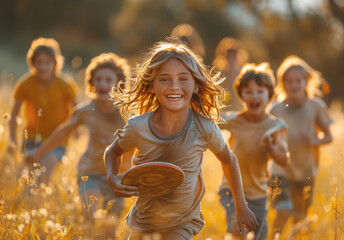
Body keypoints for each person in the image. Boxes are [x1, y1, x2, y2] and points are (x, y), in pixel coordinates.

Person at [104, 38, 258, 240]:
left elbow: (228, 159)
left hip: (182, 223)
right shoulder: (138, 126)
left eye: (183, 78)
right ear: (151, 86)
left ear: (196, 86)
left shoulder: (204, 127)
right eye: (164, 79)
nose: (174, 86)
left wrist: (241, 206)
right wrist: (112, 176)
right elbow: (113, 151)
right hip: (144, 221)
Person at [24, 53, 132, 238]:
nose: (103, 84)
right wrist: (38, 152)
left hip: (119, 176)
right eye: (98, 79)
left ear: (119, 84)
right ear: (91, 83)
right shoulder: (85, 111)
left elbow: (142, 140)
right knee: (89, 214)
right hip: (89, 172)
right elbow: (63, 132)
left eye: (108, 80)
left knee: (110, 232)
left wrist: (121, 142)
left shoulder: (128, 112)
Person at [218, 63, 289, 240]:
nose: (254, 96)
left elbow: (284, 160)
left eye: (259, 91)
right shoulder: (234, 120)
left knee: (259, 235)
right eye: (248, 92)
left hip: (258, 193)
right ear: (241, 95)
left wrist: (270, 148)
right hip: (232, 190)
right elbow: (208, 123)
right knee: (238, 231)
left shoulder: (275, 126)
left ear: (269, 96)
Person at [269, 55, 333, 237]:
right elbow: (266, 137)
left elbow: (328, 136)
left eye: (298, 80)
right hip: (280, 171)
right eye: (289, 81)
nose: (294, 85)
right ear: (283, 84)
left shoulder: (315, 106)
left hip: (306, 172)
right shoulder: (275, 109)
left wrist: (315, 141)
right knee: (283, 211)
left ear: (306, 81)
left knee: (300, 218)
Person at [9, 37, 77, 183]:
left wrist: (76, 129)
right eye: (39, 63)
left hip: (58, 139)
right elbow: (13, 115)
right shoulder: (25, 84)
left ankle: (39, 197)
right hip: (32, 137)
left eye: (48, 63)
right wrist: (13, 139)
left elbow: (77, 110)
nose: (43, 67)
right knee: (25, 179)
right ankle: (27, 201)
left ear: (55, 64)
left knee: (45, 172)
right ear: (32, 63)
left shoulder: (64, 85)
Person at [213, 37, 249, 111]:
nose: (231, 58)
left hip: (240, 111)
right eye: (229, 55)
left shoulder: (243, 76)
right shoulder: (220, 77)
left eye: (234, 55)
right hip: (224, 112)